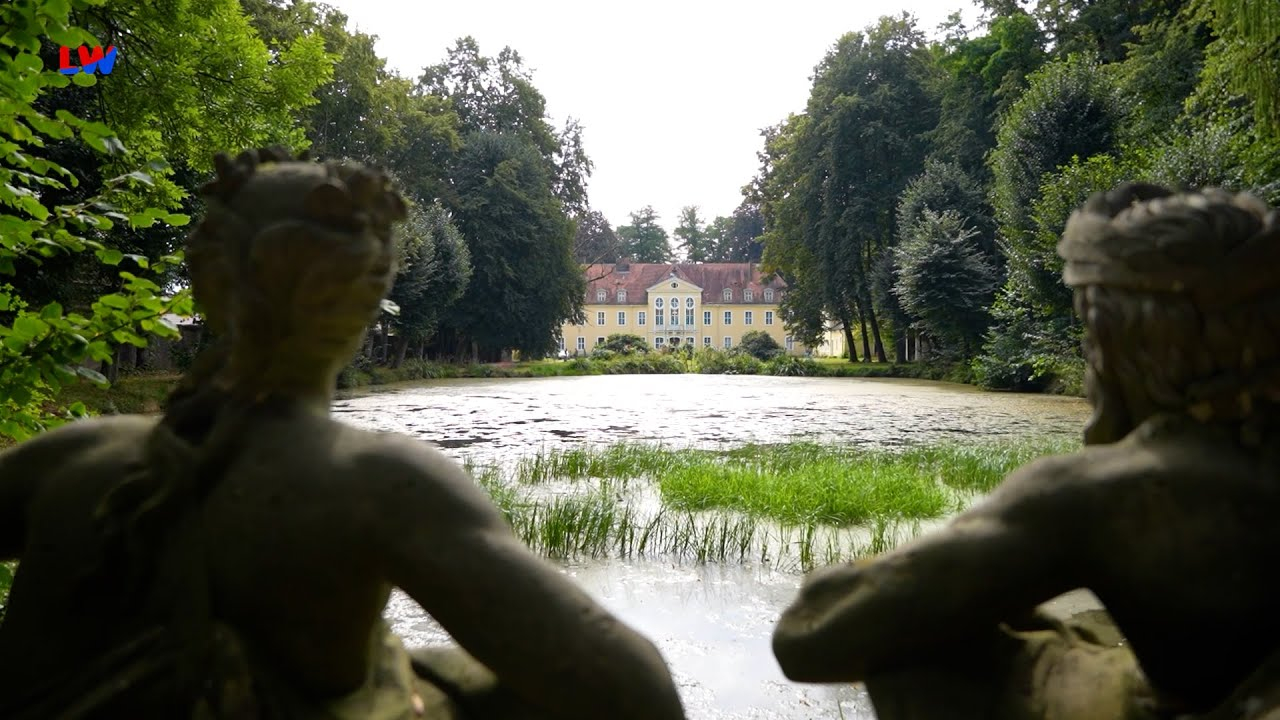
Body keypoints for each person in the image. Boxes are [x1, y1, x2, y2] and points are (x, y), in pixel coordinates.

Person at [0, 148, 688, 720]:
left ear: (209, 279)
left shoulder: (70, 455)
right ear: (370, 294)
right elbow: (634, 691)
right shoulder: (378, 484)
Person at [772, 184, 1280, 719]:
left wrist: (1014, 613)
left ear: (1116, 343)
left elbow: (810, 632)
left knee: (927, 658)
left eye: (1088, 336)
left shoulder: (1102, 492)